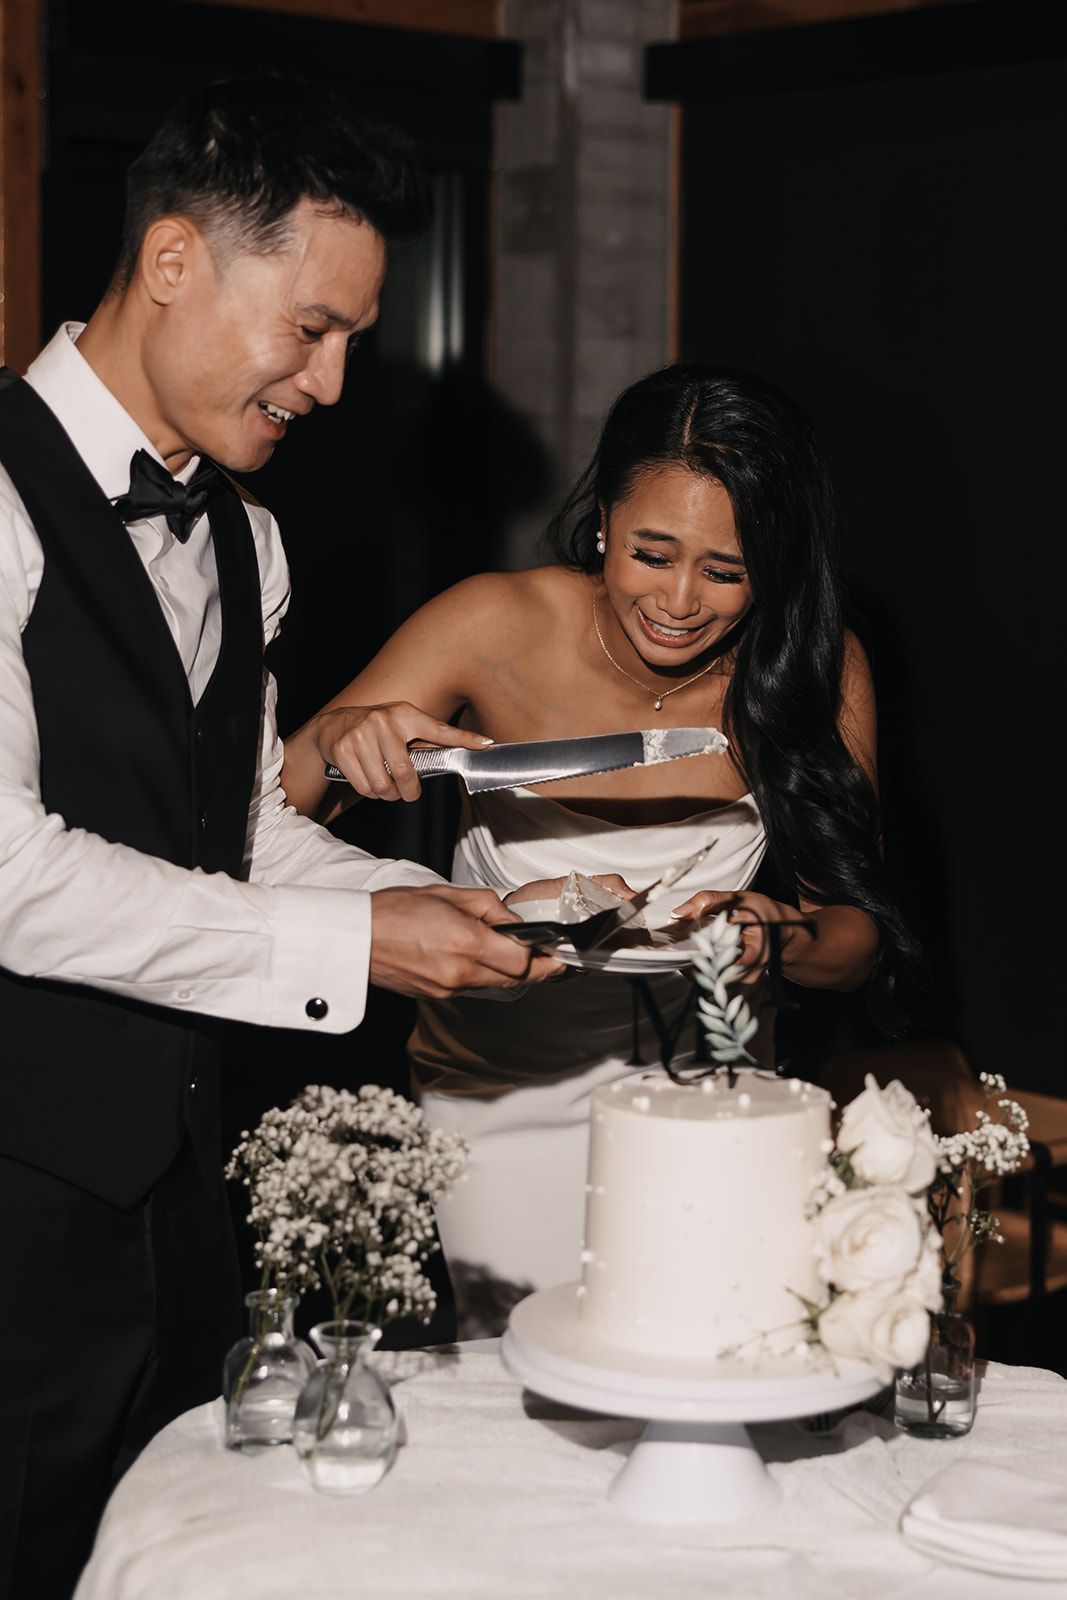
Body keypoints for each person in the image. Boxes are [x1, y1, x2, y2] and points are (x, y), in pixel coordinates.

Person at [0, 75, 560, 1600]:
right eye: (307, 330)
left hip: (172, 1209)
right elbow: (8, 874)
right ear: (173, 259)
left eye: (349, 346)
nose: (324, 384)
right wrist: (351, 943)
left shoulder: (246, 538)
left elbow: (235, 830)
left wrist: (438, 903)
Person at [281, 365, 918, 1333]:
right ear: (602, 523)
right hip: (494, 1091)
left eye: (725, 569)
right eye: (650, 552)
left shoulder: (813, 670)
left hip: (707, 1092)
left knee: (702, 1363)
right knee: (524, 1384)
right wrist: (338, 745)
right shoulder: (491, 622)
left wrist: (770, 934)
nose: (678, 599)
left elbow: (853, 940)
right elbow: (261, 816)